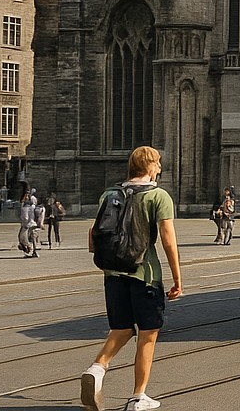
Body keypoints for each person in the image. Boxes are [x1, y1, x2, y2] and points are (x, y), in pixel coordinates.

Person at [81, 145, 183, 411]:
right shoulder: (158, 196)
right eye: (158, 163)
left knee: (123, 328)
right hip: (144, 275)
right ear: (149, 166)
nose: (160, 168)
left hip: (113, 274)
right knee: (147, 335)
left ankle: (98, 367)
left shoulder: (110, 193)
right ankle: (138, 397)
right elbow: (168, 241)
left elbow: (94, 238)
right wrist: (177, 278)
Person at [18, 193, 44, 257]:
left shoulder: (25, 207)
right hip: (34, 224)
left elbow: (25, 217)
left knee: (23, 239)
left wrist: (23, 222)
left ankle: (29, 250)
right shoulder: (35, 207)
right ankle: (34, 251)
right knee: (33, 239)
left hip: (27, 225)